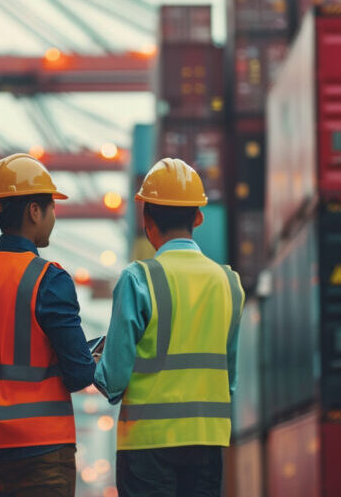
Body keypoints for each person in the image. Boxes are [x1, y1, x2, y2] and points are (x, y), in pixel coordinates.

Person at [0, 153, 96, 497]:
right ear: (34, 211)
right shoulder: (48, 279)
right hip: (41, 456)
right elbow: (80, 375)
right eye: (51, 207)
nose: (54, 216)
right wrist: (89, 359)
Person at [95, 158, 244, 497]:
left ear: (146, 218)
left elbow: (114, 380)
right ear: (198, 217)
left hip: (147, 446)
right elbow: (228, 378)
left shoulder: (138, 279)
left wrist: (95, 367)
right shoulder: (229, 283)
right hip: (206, 440)